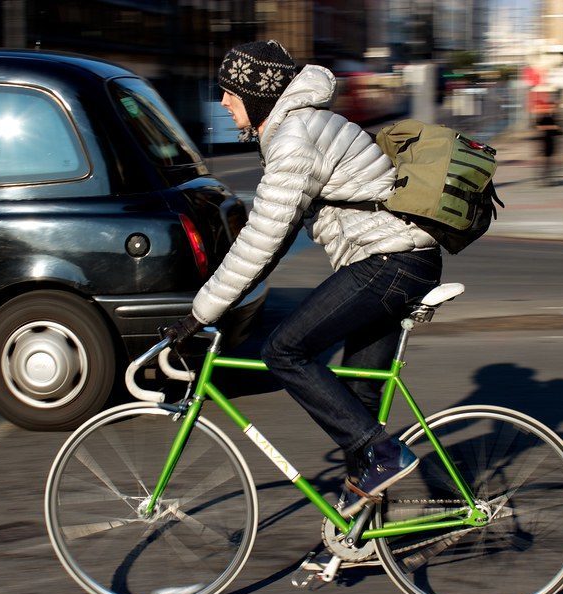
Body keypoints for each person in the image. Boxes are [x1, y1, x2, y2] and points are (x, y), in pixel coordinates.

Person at [163, 40, 442, 516]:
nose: (224, 102)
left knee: (283, 350)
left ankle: (383, 454)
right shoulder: (298, 129)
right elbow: (274, 242)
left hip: (389, 264)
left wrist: (199, 312)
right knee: (359, 398)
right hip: (399, 261)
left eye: (231, 92)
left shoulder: (294, 139)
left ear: (257, 95)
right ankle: (359, 529)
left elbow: (262, 240)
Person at [535, 100, 562, 186]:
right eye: (552, 107)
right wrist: (553, 127)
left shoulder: (557, 117)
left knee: (550, 162)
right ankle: (545, 179)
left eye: (555, 108)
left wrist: (557, 129)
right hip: (545, 141)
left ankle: (548, 179)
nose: (553, 109)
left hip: (553, 141)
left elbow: (560, 130)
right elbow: (539, 127)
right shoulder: (545, 117)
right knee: (546, 163)